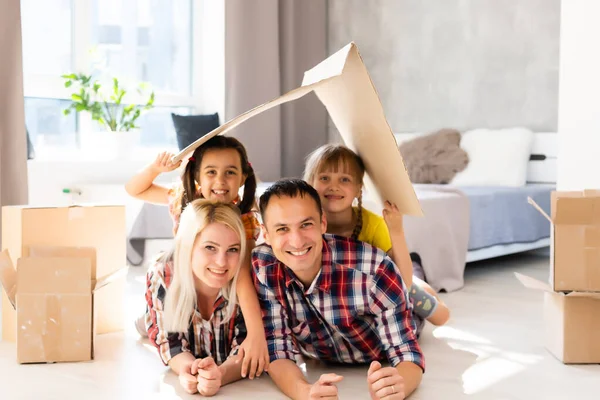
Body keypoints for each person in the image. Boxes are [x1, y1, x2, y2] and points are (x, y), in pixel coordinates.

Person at [252, 179, 425, 400]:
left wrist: (397, 387)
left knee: (417, 296)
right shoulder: (263, 266)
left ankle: (417, 274)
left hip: (379, 343)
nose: (296, 241)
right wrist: (305, 392)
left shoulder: (374, 269)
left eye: (306, 225)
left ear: (323, 223)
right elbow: (277, 349)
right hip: (322, 351)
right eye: (282, 229)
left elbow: (407, 351)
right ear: (266, 234)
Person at [126, 135, 268, 379]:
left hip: (211, 282)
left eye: (230, 172)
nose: (220, 181)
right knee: (157, 316)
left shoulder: (244, 219)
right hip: (182, 280)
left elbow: (242, 274)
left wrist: (256, 333)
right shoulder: (181, 198)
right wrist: (155, 168)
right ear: (197, 176)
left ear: (243, 177)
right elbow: (134, 189)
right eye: (211, 172)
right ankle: (149, 319)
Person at [304, 144, 450, 330]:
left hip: (384, 284)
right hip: (343, 296)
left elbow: (401, 280)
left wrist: (396, 230)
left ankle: (418, 276)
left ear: (359, 189)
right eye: (325, 178)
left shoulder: (372, 225)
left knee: (440, 316)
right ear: (310, 184)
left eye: (344, 179)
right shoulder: (306, 225)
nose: (334, 186)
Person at [146, 200, 249, 396]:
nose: (221, 262)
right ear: (188, 246)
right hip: (164, 309)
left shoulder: (246, 283)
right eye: (210, 247)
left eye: (233, 249)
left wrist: (219, 374)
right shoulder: (163, 275)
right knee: (145, 326)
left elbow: (246, 345)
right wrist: (189, 369)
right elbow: (169, 342)